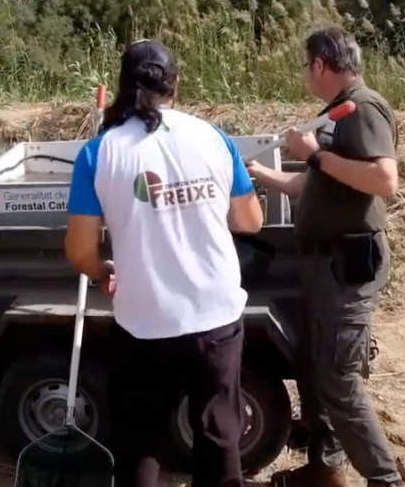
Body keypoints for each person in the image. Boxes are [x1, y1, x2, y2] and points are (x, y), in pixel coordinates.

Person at [64, 39, 264, 487]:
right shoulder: (214, 137)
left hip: (143, 322)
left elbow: (79, 251)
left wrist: (103, 272)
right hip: (215, 317)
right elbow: (250, 220)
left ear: (123, 85)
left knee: (141, 442)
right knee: (219, 437)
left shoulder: (99, 152)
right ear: (175, 85)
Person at [247, 27, 403, 487]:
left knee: (338, 379)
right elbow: (310, 186)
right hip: (324, 264)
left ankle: (384, 479)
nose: (304, 74)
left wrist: (314, 156)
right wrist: (258, 172)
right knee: (316, 370)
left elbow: (383, 180)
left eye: (305, 65)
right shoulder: (335, 113)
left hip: (347, 264)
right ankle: (326, 470)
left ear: (319, 65)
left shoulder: (363, 106)